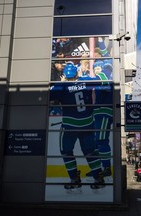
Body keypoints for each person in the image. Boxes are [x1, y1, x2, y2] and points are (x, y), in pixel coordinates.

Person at [50, 62, 104, 191]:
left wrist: (61, 83)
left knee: (66, 151)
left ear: (65, 74)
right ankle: (98, 178)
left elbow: (49, 97)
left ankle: (74, 179)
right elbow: (99, 81)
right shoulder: (85, 80)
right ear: (76, 72)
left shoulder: (61, 86)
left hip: (70, 125)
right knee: (90, 151)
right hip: (87, 123)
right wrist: (82, 78)